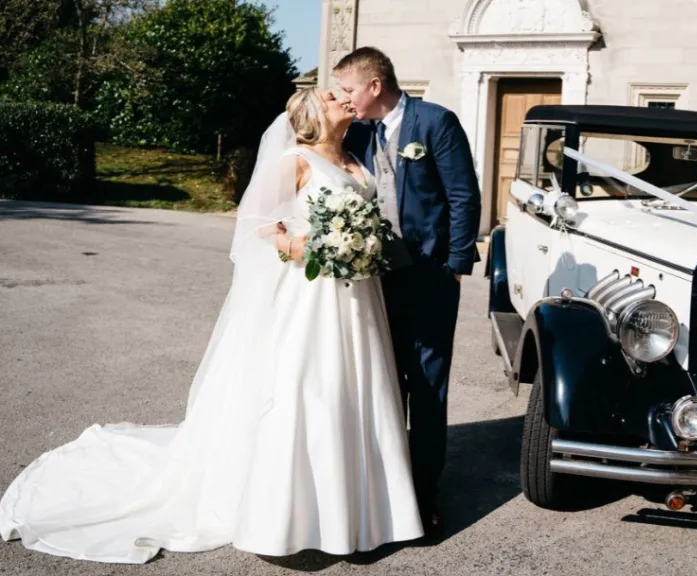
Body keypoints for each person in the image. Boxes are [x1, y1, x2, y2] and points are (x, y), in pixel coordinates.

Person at [0, 86, 424, 563]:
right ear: (311, 115)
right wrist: (308, 250)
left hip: (357, 295)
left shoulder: (358, 157)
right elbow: (257, 221)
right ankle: (292, 515)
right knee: (308, 388)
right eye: (330, 97)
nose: (342, 99)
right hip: (311, 294)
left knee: (356, 388)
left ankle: (365, 509)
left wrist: (361, 247)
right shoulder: (295, 159)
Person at [333, 46, 482, 537]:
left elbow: (463, 196)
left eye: (350, 89)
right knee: (382, 384)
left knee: (426, 385)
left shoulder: (435, 122)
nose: (345, 98)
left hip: (430, 276)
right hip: (374, 278)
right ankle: (385, 490)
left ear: (375, 85)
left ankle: (424, 496)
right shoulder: (358, 131)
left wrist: (456, 265)